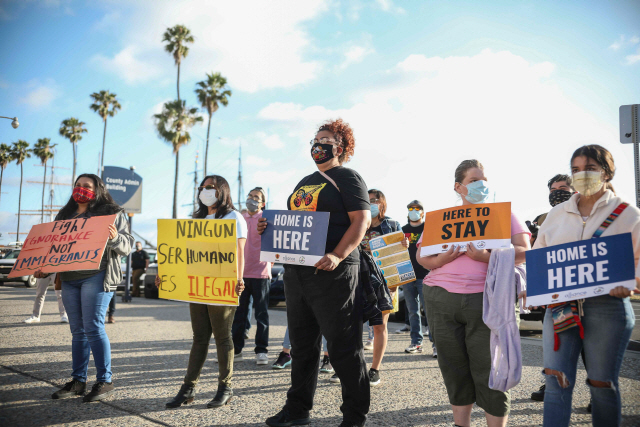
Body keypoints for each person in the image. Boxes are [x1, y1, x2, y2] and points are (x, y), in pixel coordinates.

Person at [260, 118, 371, 427]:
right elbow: (295, 222)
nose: (317, 144)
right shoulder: (305, 180)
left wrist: (337, 255)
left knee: (343, 345)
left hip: (333, 272)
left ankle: (354, 415)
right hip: (298, 272)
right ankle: (297, 410)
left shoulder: (348, 178)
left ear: (341, 147)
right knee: (302, 345)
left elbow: (360, 220)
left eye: (326, 139)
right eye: (316, 138)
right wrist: (267, 228)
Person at [417, 160, 530, 427]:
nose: (482, 185)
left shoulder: (505, 214)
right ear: (459, 187)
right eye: (474, 181)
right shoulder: (442, 217)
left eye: (484, 180)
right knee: (453, 367)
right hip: (440, 297)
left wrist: (487, 257)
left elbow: (525, 251)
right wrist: (441, 260)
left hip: (488, 298)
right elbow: (423, 257)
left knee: (491, 367)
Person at [532, 145, 639, 427]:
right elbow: (540, 256)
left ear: (607, 171)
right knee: (556, 382)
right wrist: (536, 288)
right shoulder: (555, 216)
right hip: (560, 309)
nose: (582, 175)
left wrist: (630, 282)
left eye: (589, 168)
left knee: (601, 384)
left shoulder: (628, 214)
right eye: (576, 170)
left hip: (607, 308)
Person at [34, 173, 133, 402]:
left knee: (94, 327)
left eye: (86, 186)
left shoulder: (111, 212)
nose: (81, 188)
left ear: (97, 189)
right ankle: (78, 381)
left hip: (97, 276)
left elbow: (126, 245)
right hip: (69, 278)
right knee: (77, 331)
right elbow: (54, 247)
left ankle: (104, 380)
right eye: (77, 185)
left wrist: (115, 237)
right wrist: (45, 269)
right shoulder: (65, 214)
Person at [162, 175, 247, 409]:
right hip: (197, 284)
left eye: (210, 187)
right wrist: (167, 273)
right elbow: (184, 253)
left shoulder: (234, 217)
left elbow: (239, 252)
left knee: (222, 337)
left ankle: (225, 387)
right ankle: (188, 389)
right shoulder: (196, 219)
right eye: (202, 187)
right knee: (199, 338)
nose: (205, 190)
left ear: (222, 191)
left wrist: (239, 279)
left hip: (222, 284)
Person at [529, 174, 577, 403]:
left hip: (591, 297)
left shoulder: (590, 216)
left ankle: (597, 394)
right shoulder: (546, 220)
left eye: (563, 188)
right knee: (557, 344)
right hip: (559, 297)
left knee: (589, 348)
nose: (558, 192)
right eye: (554, 189)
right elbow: (539, 255)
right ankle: (552, 386)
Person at [358, 189, 408, 387]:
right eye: (367, 200)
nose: (371, 204)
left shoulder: (392, 225)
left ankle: (375, 369)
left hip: (384, 282)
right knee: (352, 327)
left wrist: (403, 246)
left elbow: (400, 257)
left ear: (382, 204)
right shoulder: (357, 222)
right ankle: (349, 367)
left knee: (379, 326)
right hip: (359, 280)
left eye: (374, 201)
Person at [232, 187, 272, 365]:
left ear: (263, 203)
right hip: (241, 273)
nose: (252, 200)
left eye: (256, 197)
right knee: (239, 314)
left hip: (261, 273)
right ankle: (236, 349)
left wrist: (269, 265)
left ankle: (261, 351)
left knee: (261, 315)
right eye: (250, 196)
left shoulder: (267, 219)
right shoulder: (239, 218)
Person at [401, 200, 436, 357]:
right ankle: (416, 343)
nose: (413, 211)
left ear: (423, 212)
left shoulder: (429, 228)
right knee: (412, 312)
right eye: (411, 209)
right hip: (407, 275)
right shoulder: (402, 230)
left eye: (417, 209)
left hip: (425, 275)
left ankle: (436, 345)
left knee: (430, 311)